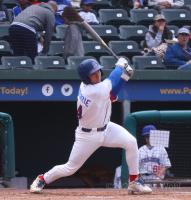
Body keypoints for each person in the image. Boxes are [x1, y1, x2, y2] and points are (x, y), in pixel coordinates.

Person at [30, 57, 152, 195]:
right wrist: (121, 65)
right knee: (70, 168)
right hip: (87, 136)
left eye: (98, 71)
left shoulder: (94, 88)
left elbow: (112, 94)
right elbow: (112, 81)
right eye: (93, 74)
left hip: (106, 128)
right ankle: (42, 179)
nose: (97, 75)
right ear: (86, 78)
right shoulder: (93, 91)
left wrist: (124, 76)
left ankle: (134, 182)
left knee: (131, 142)